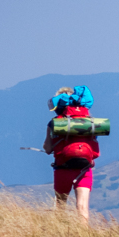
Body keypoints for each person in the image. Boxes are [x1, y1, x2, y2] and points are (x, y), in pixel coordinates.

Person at [43, 86, 99, 222]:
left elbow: (48, 148)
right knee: (82, 207)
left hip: (63, 168)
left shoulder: (54, 123)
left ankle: (60, 235)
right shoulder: (89, 122)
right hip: (84, 169)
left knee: (60, 205)